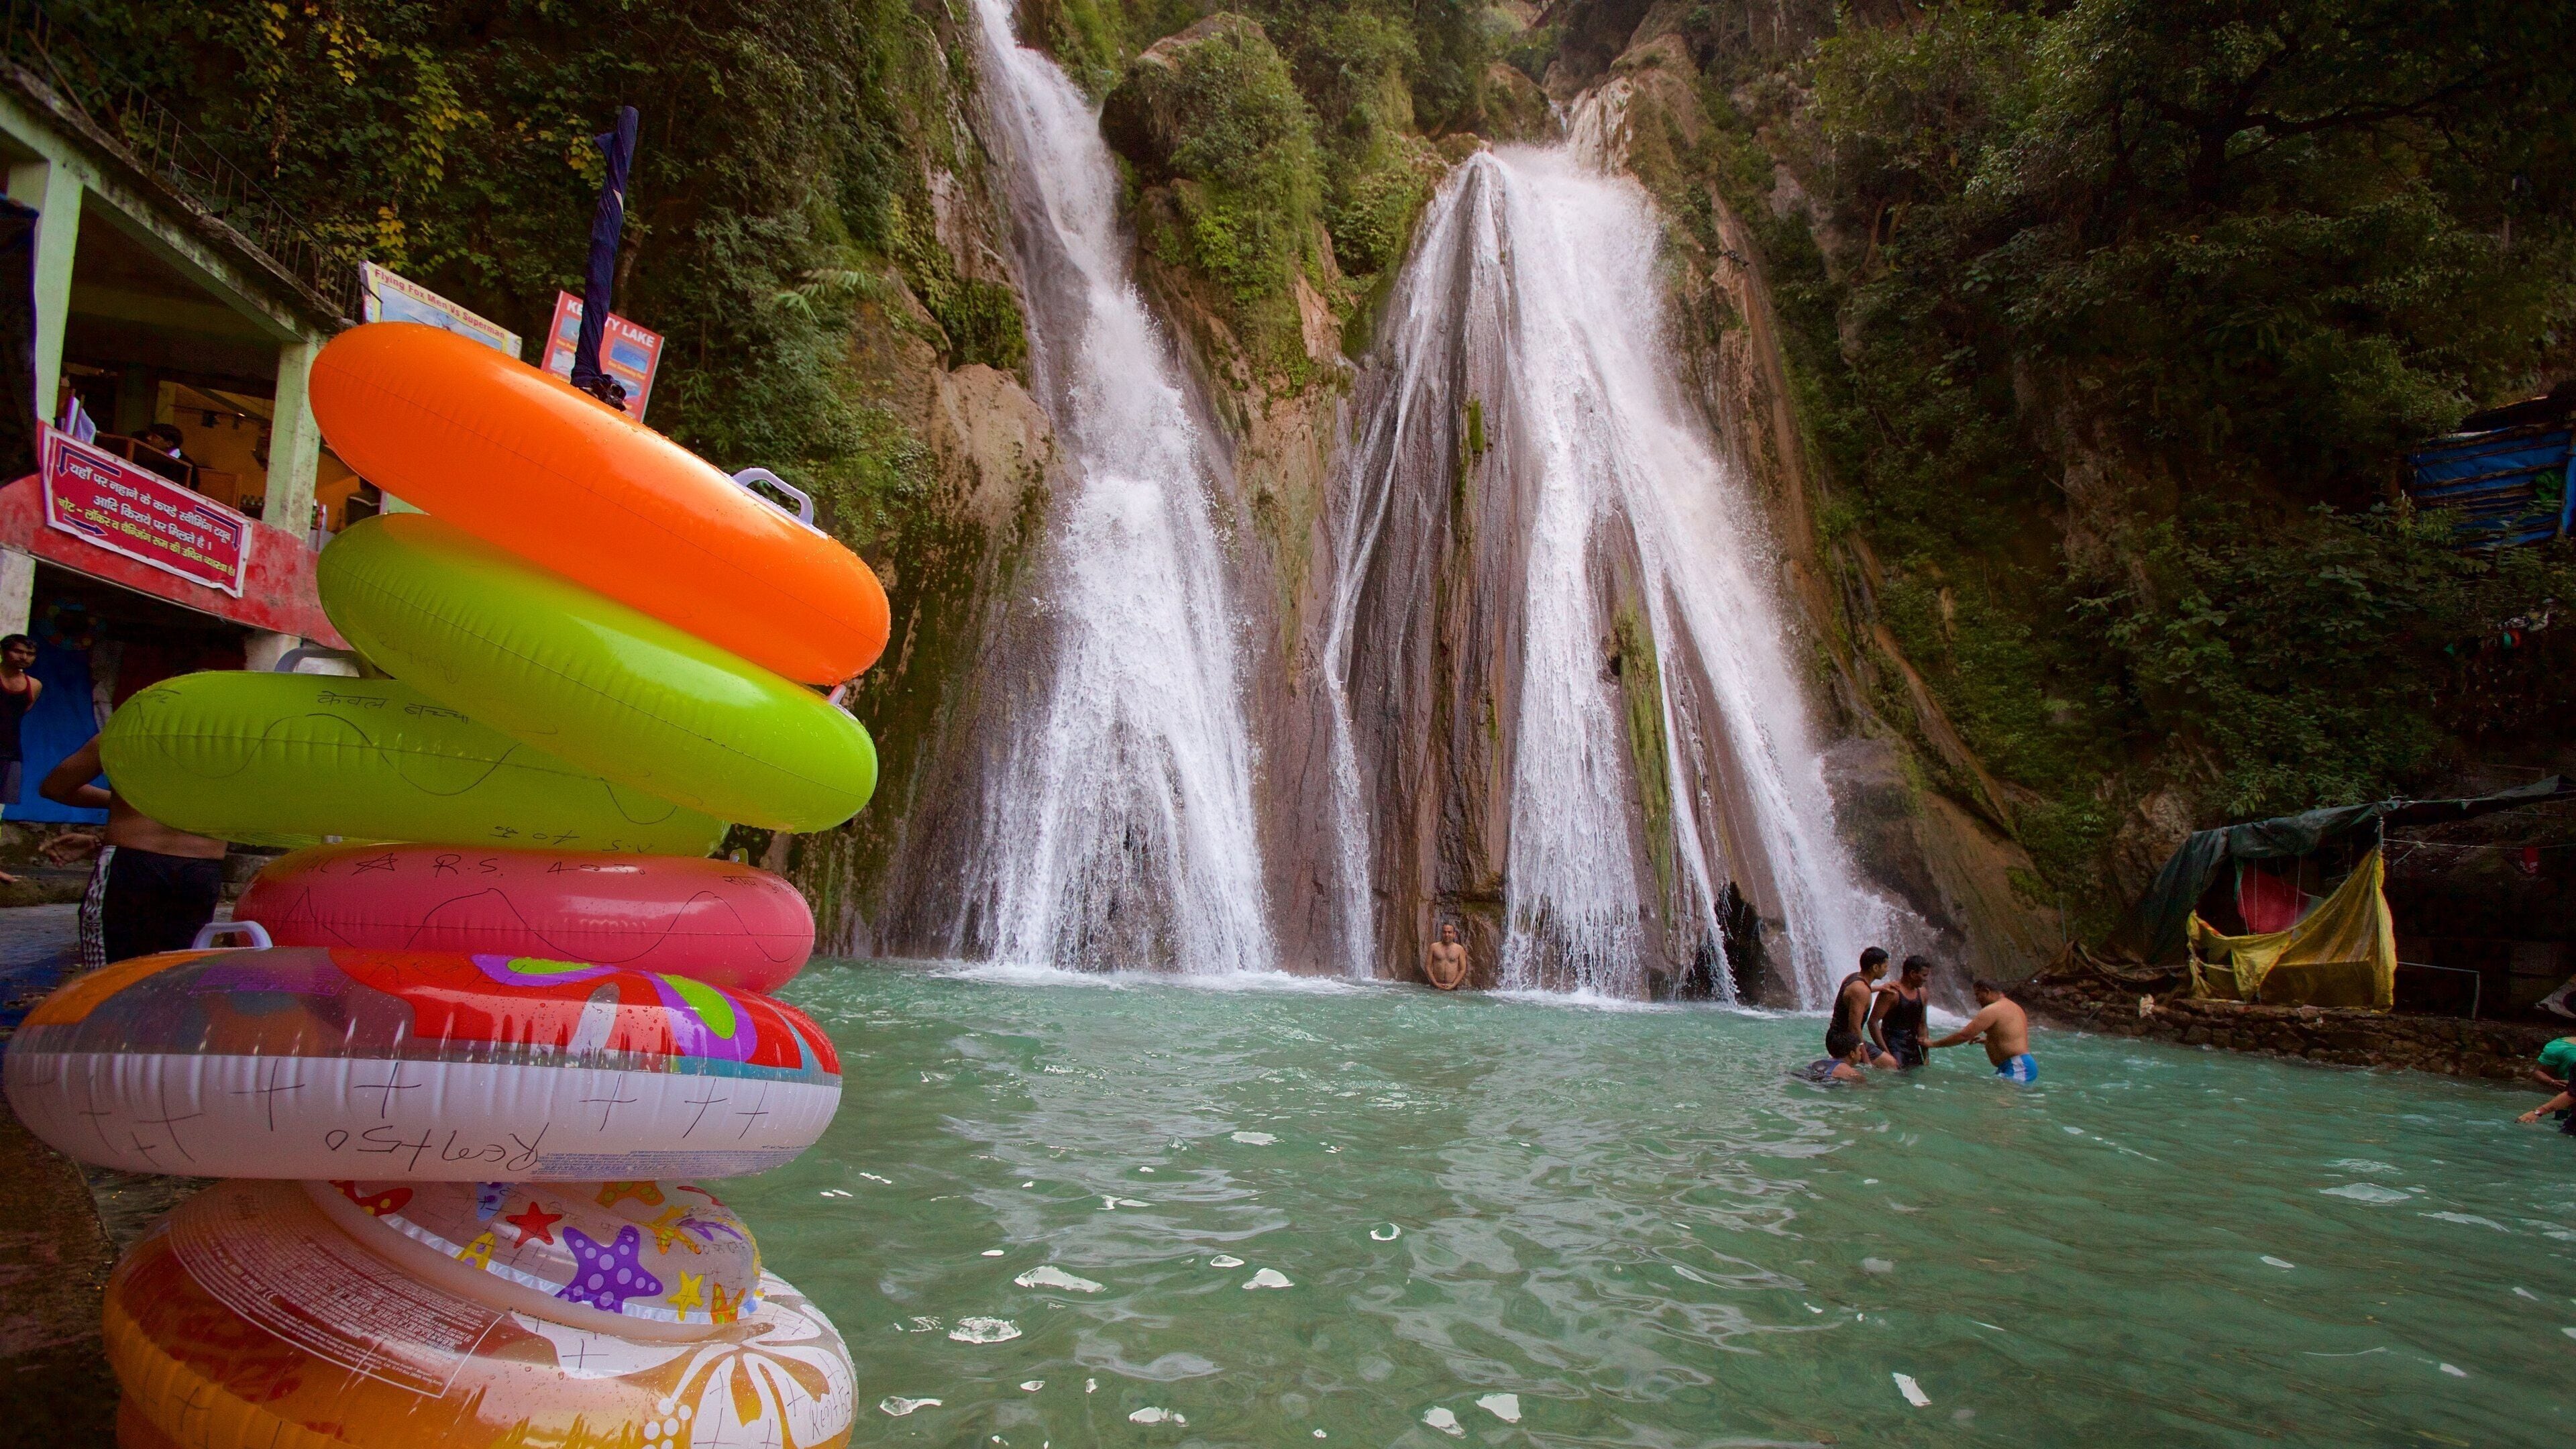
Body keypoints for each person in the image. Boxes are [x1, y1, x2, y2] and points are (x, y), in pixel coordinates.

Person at [43, 733, 226, 969]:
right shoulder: (236, 745)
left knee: (108, 977)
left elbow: (55, 788)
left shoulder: (131, 732)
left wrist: (130, 803)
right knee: (175, 977)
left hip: (131, 864)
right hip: (202, 872)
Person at [1931, 978, 2037, 1083]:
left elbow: (1964, 1036)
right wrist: (1988, 1041)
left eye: (1977, 995)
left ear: (1987, 992)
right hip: (2018, 1064)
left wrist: (1932, 1044)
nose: (1977, 1000)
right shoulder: (2013, 1007)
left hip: (2018, 1066)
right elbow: (2012, 1035)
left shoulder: (1993, 1010)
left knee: (2003, 1099)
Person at [0, 633, 38, 885]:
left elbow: (19, 714)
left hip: (9, 751)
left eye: (30, 654)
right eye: (18, 651)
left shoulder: (34, 685)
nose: (24, 658)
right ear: (4, 652)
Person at [1829, 947, 1900, 1067]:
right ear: (1875, 968)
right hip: (1842, 1041)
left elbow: (1855, 993)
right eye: (1885, 966)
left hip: (1836, 1037)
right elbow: (1854, 1028)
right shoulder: (1861, 991)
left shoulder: (1854, 978)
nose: (1887, 970)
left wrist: (1880, 987)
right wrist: (1867, 1061)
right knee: (1891, 1064)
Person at [1870, 954, 1934, 1068]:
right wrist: (1886, 1054)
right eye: (1924, 975)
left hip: (1912, 1046)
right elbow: (1873, 1022)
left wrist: (1926, 1056)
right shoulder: (1891, 993)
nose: (1926, 979)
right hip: (1893, 1046)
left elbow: (1922, 1024)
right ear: (1913, 974)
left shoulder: (1923, 993)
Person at [1791, 1035, 1872, 1085]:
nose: (1861, 1053)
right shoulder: (1853, 1073)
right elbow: (1865, 1089)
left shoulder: (1818, 1062)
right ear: (1852, 1054)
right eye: (1859, 1050)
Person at [1425, 920, 1469, 991]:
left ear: (1454, 934)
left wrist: (1453, 985)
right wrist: (1436, 984)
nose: (1447, 935)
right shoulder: (1433, 947)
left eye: (1449, 932)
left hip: (1452, 987)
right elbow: (1428, 967)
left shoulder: (1460, 949)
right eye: (1444, 932)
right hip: (1435, 986)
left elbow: (1462, 970)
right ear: (1441, 933)